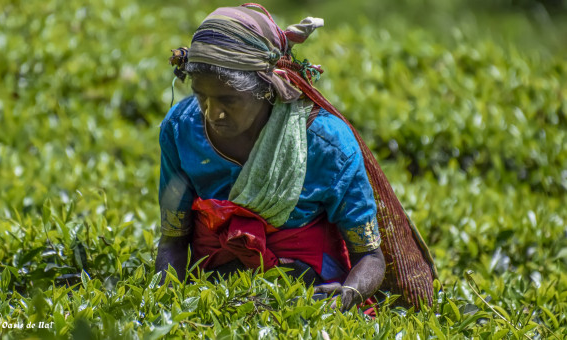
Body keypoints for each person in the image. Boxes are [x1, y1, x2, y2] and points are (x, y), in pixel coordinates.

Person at [156, 4, 436, 311]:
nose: (212, 113)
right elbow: (173, 240)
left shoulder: (328, 146)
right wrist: (170, 306)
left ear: (267, 87)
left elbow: (369, 257)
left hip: (306, 292)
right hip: (213, 288)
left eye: (228, 100)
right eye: (201, 96)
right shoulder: (182, 129)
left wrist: (347, 294)